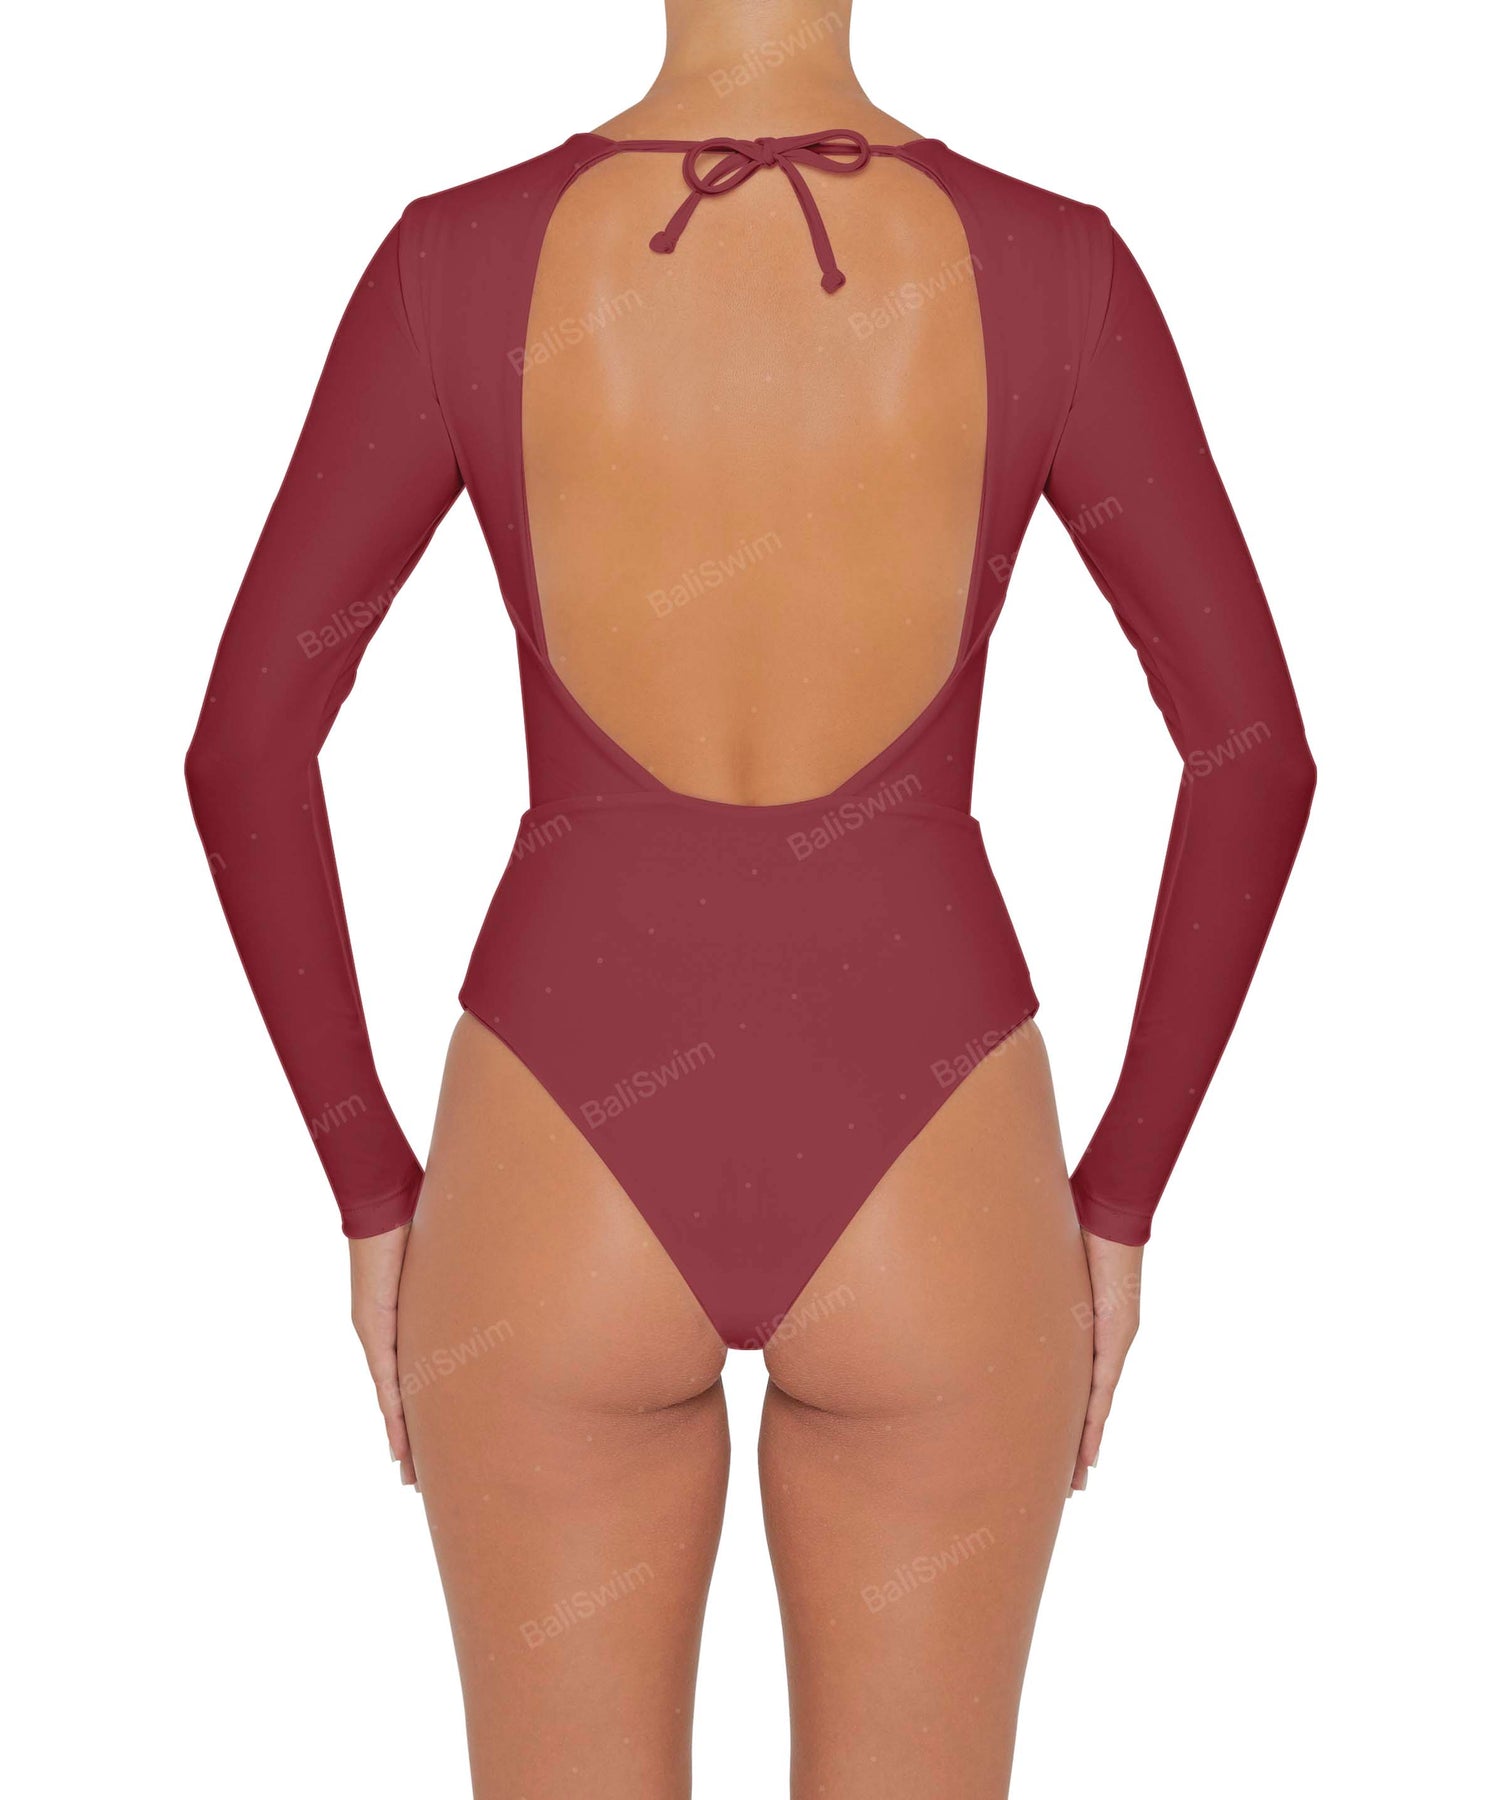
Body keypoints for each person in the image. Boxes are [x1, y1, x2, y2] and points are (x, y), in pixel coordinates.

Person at [185, 2, 1315, 1791]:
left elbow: (245, 749)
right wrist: (1120, 1200)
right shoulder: (1052, 266)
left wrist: (371, 1189)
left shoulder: (456, 260)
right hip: (937, 1150)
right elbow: (1256, 757)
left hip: (553, 1149)